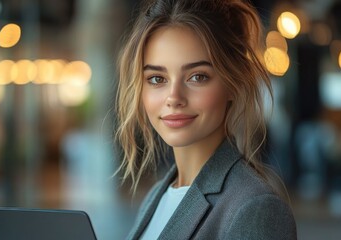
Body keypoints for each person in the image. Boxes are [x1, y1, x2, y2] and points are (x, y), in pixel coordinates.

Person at [115, 0, 297, 239]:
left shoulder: (254, 208)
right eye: (157, 79)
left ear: (234, 83)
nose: (174, 98)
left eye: (197, 77)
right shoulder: (156, 196)